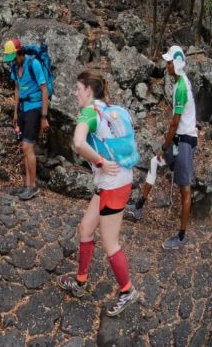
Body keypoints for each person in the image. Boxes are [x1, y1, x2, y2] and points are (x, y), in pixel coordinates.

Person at [57, 69, 139, 317]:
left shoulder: (90, 112)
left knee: (110, 243)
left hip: (114, 184)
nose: (75, 93)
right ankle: (80, 283)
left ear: (89, 91)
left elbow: (79, 143)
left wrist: (101, 162)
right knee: (85, 228)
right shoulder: (113, 110)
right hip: (112, 181)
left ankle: (128, 292)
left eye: (78, 89)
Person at [125, 45, 197, 250]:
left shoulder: (181, 87)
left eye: (170, 62)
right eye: (167, 62)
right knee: (154, 163)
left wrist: (165, 144)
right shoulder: (177, 84)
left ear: (178, 63)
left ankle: (182, 237)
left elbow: (175, 122)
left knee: (185, 189)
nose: (167, 66)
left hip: (184, 142)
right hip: (178, 140)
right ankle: (138, 207)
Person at [3, 38, 50, 201]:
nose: (13, 62)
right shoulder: (15, 67)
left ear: (20, 53)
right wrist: (15, 113)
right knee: (24, 147)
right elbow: (16, 89)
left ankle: (33, 186)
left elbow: (44, 90)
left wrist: (44, 117)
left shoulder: (34, 64)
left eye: (14, 58)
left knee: (28, 147)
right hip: (23, 109)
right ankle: (26, 184)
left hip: (35, 108)